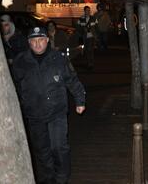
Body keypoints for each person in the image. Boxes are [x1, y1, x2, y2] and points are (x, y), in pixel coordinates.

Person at [12, 27, 86, 184]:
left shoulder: (59, 59)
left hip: (56, 111)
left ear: (47, 40)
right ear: (29, 43)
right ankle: (48, 180)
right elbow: (14, 85)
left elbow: (71, 79)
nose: (38, 44)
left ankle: (61, 178)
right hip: (34, 114)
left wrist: (80, 99)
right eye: (34, 41)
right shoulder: (21, 61)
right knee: (42, 150)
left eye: (41, 40)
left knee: (59, 147)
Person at [77, 6, 98, 70]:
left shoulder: (93, 18)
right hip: (84, 37)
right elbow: (78, 27)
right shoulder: (81, 19)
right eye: (87, 10)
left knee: (90, 49)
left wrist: (96, 35)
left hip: (91, 36)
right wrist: (83, 30)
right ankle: (89, 62)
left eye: (89, 10)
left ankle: (90, 63)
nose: (88, 11)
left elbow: (97, 27)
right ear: (84, 11)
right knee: (87, 50)